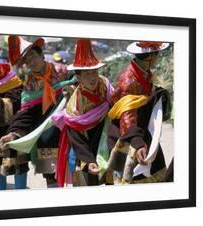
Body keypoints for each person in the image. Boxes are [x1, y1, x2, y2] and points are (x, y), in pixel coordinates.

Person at [0, 35, 75, 188]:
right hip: (46, 134)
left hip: (69, 128)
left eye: (33, 56)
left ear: (42, 55)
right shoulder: (29, 83)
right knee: (51, 177)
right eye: (26, 61)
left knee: (78, 169)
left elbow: (80, 85)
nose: (31, 62)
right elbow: (26, 112)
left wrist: (72, 91)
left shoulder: (63, 71)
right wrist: (13, 133)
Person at [52, 38, 114, 187]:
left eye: (94, 72)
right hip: (86, 150)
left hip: (107, 144)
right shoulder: (74, 107)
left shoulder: (105, 85)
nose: (93, 77)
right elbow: (76, 137)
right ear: (78, 78)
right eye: (87, 74)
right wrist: (89, 160)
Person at [107, 41, 171, 184]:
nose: (158, 58)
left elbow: (142, 101)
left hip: (142, 131)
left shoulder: (144, 73)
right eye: (157, 55)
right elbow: (127, 115)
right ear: (151, 57)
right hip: (129, 134)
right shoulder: (128, 80)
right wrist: (138, 142)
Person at [0, 62, 23, 190]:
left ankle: (21, 193)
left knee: (20, 166)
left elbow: (13, 105)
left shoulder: (16, 87)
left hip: (15, 133)